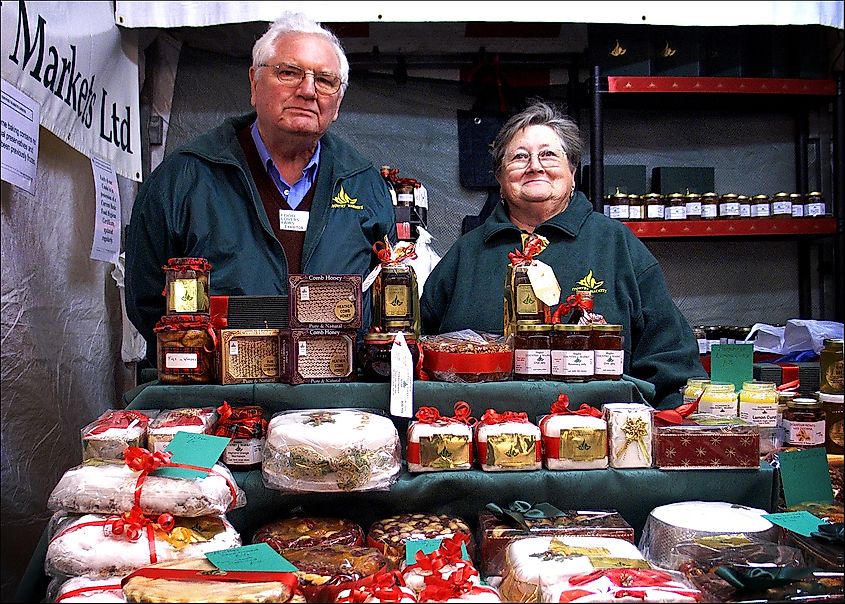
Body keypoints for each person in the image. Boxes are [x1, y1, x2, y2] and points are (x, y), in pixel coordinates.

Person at [125, 11, 396, 364]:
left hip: (336, 404)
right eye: (289, 72)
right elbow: (146, 300)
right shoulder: (184, 178)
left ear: (338, 102)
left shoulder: (364, 183)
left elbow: (385, 296)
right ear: (254, 83)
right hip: (220, 400)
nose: (308, 90)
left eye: (326, 80)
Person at [420, 100, 706, 407]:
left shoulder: (615, 243)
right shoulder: (467, 252)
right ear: (500, 179)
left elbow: (670, 357)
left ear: (572, 173)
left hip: (600, 438)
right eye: (519, 157)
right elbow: (418, 348)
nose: (534, 166)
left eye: (548, 155)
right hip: (478, 435)